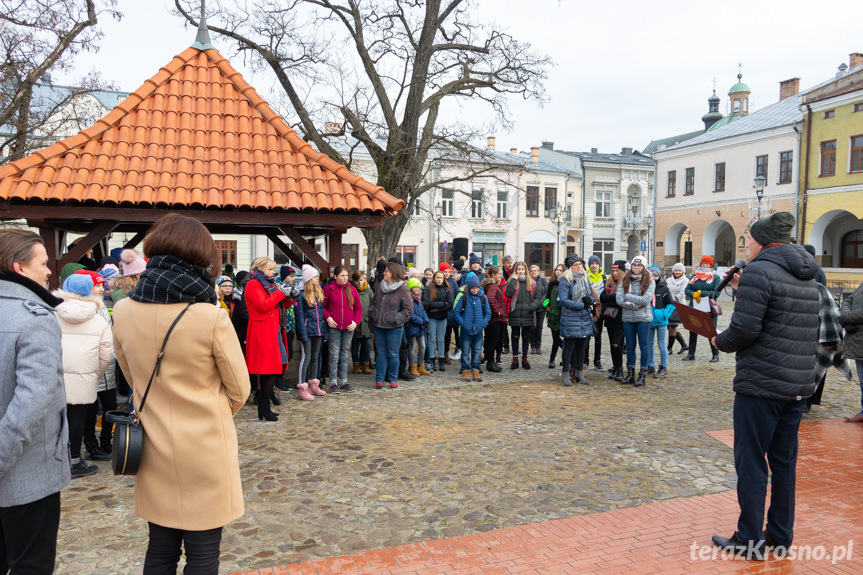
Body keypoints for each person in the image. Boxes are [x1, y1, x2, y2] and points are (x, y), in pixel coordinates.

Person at [111, 214, 251, 574]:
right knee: (204, 553)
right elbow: (240, 388)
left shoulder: (124, 311)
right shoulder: (210, 316)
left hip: (153, 443)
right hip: (205, 446)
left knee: (160, 549)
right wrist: (209, 410)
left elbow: (131, 376)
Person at [710, 212, 820, 560]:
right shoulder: (809, 273)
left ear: (762, 241)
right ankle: (780, 535)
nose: (748, 245)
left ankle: (749, 539)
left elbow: (744, 331)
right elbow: (785, 317)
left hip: (761, 385)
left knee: (752, 463)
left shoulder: (759, 270)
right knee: (784, 462)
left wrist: (718, 340)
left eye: (750, 239)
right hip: (798, 383)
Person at [0, 228, 71, 574]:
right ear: (19, 267)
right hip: (25, 475)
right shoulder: (35, 319)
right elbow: (30, 402)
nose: (48, 271)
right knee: (32, 565)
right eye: (42, 264)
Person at [54, 273, 113, 478]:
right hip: (85, 377)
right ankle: (75, 461)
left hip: (56, 377)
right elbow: (106, 354)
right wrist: (94, 374)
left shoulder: (52, 314)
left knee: (57, 420)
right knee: (78, 420)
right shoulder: (99, 320)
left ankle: (56, 462)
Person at [245, 257, 295, 416]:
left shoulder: (268, 284)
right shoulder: (253, 284)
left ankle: (264, 408)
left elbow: (277, 306)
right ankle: (264, 408)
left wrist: (290, 298)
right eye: (271, 269)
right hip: (262, 331)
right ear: (260, 269)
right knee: (268, 371)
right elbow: (263, 305)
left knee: (272, 370)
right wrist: (281, 293)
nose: (273, 272)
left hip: (271, 330)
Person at [369, 261, 412, 389]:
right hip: (379, 326)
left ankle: (393, 378)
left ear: (393, 272)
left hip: (394, 328)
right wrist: (372, 312)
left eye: (386, 270)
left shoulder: (403, 290)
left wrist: (396, 318)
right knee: (380, 354)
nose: (383, 272)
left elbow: (408, 310)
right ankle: (379, 380)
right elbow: (373, 301)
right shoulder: (379, 286)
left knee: (393, 354)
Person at [616, 255, 655, 387]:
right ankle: (631, 373)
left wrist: (628, 297)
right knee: (630, 346)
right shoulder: (625, 279)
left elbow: (646, 300)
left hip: (643, 318)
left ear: (644, 267)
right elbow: (620, 299)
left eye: (639, 266)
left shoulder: (649, 280)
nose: (636, 268)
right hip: (628, 317)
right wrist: (633, 303)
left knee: (644, 346)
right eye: (634, 265)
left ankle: (642, 374)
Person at [324, 265, 363, 392]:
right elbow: (323, 307)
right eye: (342, 275)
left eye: (346, 275)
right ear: (335, 277)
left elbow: (358, 309)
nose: (345, 278)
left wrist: (355, 322)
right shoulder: (328, 289)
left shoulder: (352, 290)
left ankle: (344, 381)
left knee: (344, 354)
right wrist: (328, 317)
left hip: (348, 327)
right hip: (334, 327)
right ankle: (333, 383)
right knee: (334, 355)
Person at [557, 256, 595, 386]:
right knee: (569, 347)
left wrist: (589, 301)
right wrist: (581, 306)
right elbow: (563, 300)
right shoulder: (566, 280)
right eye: (575, 264)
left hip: (584, 317)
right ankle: (566, 373)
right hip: (570, 317)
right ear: (570, 267)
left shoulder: (585, 278)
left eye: (580, 264)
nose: (579, 266)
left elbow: (590, 294)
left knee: (581, 347)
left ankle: (579, 372)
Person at [296, 265, 328, 399]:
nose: (317, 278)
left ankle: (314, 383)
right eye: (314, 276)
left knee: (316, 357)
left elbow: (321, 315)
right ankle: (302, 386)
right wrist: (303, 334)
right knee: (306, 357)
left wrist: (324, 332)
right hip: (307, 330)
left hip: (318, 330)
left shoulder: (319, 292)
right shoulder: (302, 294)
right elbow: (300, 316)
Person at [454, 273, 491, 381]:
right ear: (469, 288)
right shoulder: (464, 298)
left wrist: (483, 324)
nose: (475, 290)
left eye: (476, 288)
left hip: (478, 331)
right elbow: (456, 312)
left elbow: (487, 313)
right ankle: (465, 370)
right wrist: (463, 324)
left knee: (477, 351)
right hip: (466, 330)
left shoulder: (483, 299)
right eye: (473, 288)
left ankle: (475, 369)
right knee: (465, 351)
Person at [683, 255, 721, 362]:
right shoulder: (695, 276)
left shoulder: (715, 277)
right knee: (693, 331)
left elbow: (716, 293)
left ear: (711, 265)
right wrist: (693, 294)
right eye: (703, 263)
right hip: (695, 306)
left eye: (707, 264)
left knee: (711, 331)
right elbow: (687, 289)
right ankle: (691, 353)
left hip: (709, 308)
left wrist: (702, 293)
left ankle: (715, 354)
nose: (704, 265)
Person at [505, 261, 541, 369]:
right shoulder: (512, 281)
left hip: (527, 314)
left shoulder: (532, 282)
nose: (520, 271)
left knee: (526, 337)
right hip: (515, 313)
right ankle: (515, 358)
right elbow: (508, 293)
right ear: (516, 270)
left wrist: (532, 307)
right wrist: (513, 279)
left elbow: (537, 297)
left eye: (522, 269)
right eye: (518, 269)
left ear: (526, 270)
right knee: (515, 336)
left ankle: (524, 358)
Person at [600, 260, 627, 381]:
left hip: (621, 317)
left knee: (617, 343)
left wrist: (610, 299)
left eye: (617, 271)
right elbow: (602, 297)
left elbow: (620, 300)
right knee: (612, 344)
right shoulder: (609, 282)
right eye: (613, 271)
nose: (615, 273)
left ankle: (620, 369)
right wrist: (613, 299)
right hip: (610, 317)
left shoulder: (625, 283)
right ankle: (616, 368)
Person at [422, 270, 453, 372]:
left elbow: (450, 304)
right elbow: (427, 303)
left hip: (442, 317)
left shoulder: (446, 289)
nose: (439, 280)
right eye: (437, 277)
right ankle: (431, 359)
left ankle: (441, 359)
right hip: (432, 317)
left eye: (441, 278)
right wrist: (442, 304)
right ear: (434, 278)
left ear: (443, 279)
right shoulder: (428, 289)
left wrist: (439, 308)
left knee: (441, 339)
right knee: (431, 339)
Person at [841, 280, 863, 423]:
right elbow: (848, 300)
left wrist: (846, 318)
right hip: (858, 340)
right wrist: (847, 318)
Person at [647, 265, 673, 378]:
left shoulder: (664, 288)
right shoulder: (646, 286)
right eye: (651, 275)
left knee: (662, 344)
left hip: (661, 320)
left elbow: (670, 304)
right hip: (649, 319)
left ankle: (663, 366)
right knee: (649, 344)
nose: (653, 277)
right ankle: (650, 365)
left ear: (658, 276)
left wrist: (664, 315)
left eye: (655, 275)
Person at [481, 266, 506, 374]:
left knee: (491, 340)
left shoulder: (490, 285)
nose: (499, 276)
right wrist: (498, 312)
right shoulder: (491, 286)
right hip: (495, 318)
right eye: (498, 274)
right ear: (493, 275)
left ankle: (491, 362)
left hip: (494, 318)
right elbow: (490, 300)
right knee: (492, 341)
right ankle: (490, 363)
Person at [405, 278, 431, 376]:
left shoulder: (419, 299)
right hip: (412, 327)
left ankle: (421, 365)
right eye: (414, 287)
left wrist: (425, 321)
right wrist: (421, 322)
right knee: (411, 347)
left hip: (421, 327)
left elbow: (423, 312)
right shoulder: (409, 300)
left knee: (423, 346)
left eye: (417, 287)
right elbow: (410, 314)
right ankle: (413, 366)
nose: (416, 289)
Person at [350, 270, 374, 375]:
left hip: (367, 323)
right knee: (355, 345)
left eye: (361, 280)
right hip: (355, 323)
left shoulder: (369, 292)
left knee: (367, 345)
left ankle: (365, 364)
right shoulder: (351, 291)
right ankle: (356, 364)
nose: (359, 283)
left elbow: (373, 305)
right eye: (357, 281)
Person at [586, 255, 606, 370]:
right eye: (592, 263)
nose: (594, 265)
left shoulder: (604, 277)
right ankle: (585, 359)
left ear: (599, 265)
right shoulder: (586, 277)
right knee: (587, 336)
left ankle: (597, 360)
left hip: (600, 309)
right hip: (589, 309)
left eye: (596, 263)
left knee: (598, 336)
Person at [666, 263, 689, 355]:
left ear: (682, 271)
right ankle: (684, 344)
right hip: (668, 305)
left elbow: (683, 293)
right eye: (676, 270)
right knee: (669, 326)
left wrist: (673, 299)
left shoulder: (685, 280)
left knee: (673, 326)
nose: (677, 272)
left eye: (679, 270)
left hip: (678, 306)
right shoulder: (668, 280)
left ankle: (669, 348)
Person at [545, 264, 565, 370]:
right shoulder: (551, 284)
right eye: (557, 270)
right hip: (552, 314)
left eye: (560, 270)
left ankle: (553, 359)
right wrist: (546, 305)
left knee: (557, 339)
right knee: (555, 338)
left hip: (561, 315)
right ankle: (558, 358)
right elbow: (547, 297)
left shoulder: (565, 283)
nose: (558, 272)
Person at [528, 264, 548, 354]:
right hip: (530, 308)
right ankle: (532, 346)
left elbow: (546, 293)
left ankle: (538, 346)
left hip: (540, 308)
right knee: (531, 328)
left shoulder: (543, 281)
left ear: (538, 272)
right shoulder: (528, 281)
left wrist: (540, 303)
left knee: (539, 327)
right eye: (531, 271)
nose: (533, 272)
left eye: (535, 270)